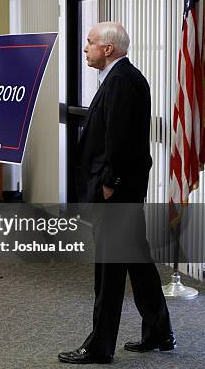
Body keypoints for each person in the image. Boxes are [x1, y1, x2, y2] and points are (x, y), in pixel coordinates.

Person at [58, 22, 174, 364]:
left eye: (90, 43)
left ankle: (99, 346)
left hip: (117, 192)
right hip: (124, 189)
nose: (86, 48)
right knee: (138, 262)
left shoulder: (122, 79)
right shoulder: (120, 76)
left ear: (108, 48)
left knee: (109, 270)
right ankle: (159, 331)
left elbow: (120, 139)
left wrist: (109, 184)